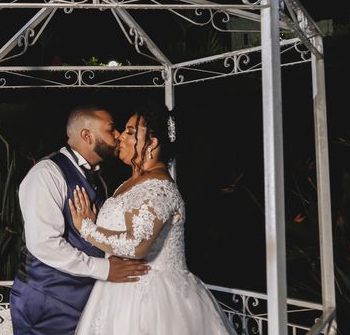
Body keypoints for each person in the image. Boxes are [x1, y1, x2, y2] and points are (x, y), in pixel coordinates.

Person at [70, 101, 238, 334]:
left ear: (152, 143)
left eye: (130, 132)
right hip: (116, 295)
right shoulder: (128, 184)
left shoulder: (158, 187)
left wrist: (86, 228)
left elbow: (137, 245)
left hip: (154, 301)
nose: (120, 137)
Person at [10, 104, 151, 335]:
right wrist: (105, 269)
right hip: (46, 303)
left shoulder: (99, 179)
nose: (117, 136)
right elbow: (44, 244)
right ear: (87, 135)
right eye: (111, 129)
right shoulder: (46, 174)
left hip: (84, 302)